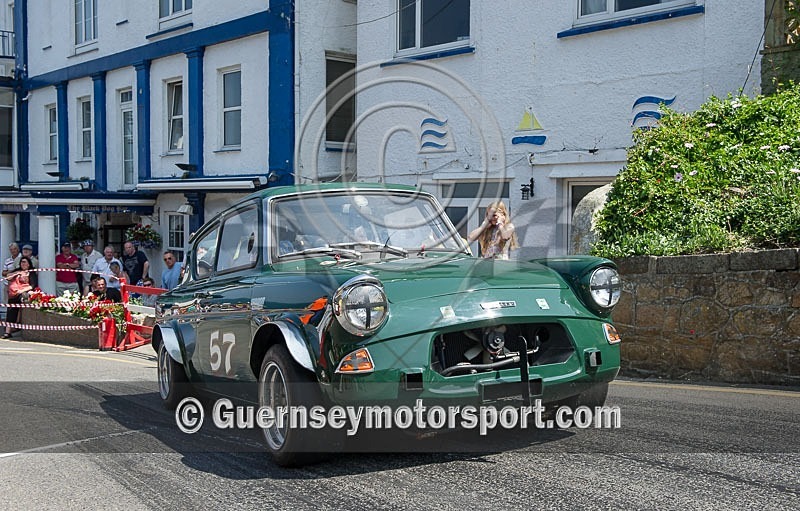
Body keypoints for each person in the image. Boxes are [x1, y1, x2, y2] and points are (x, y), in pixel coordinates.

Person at [3, 256, 37, 338]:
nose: (23, 264)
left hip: (23, 292)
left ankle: (20, 326)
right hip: (13, 294)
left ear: (29, 264)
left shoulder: (31, 272)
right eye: (22, 262)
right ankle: (7, 332)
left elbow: (32, 285)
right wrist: (16, 273)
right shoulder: (17, 271)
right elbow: (8, 277)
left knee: (23, 299)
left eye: (25, 262)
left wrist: (21, 291)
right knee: (11, 311)